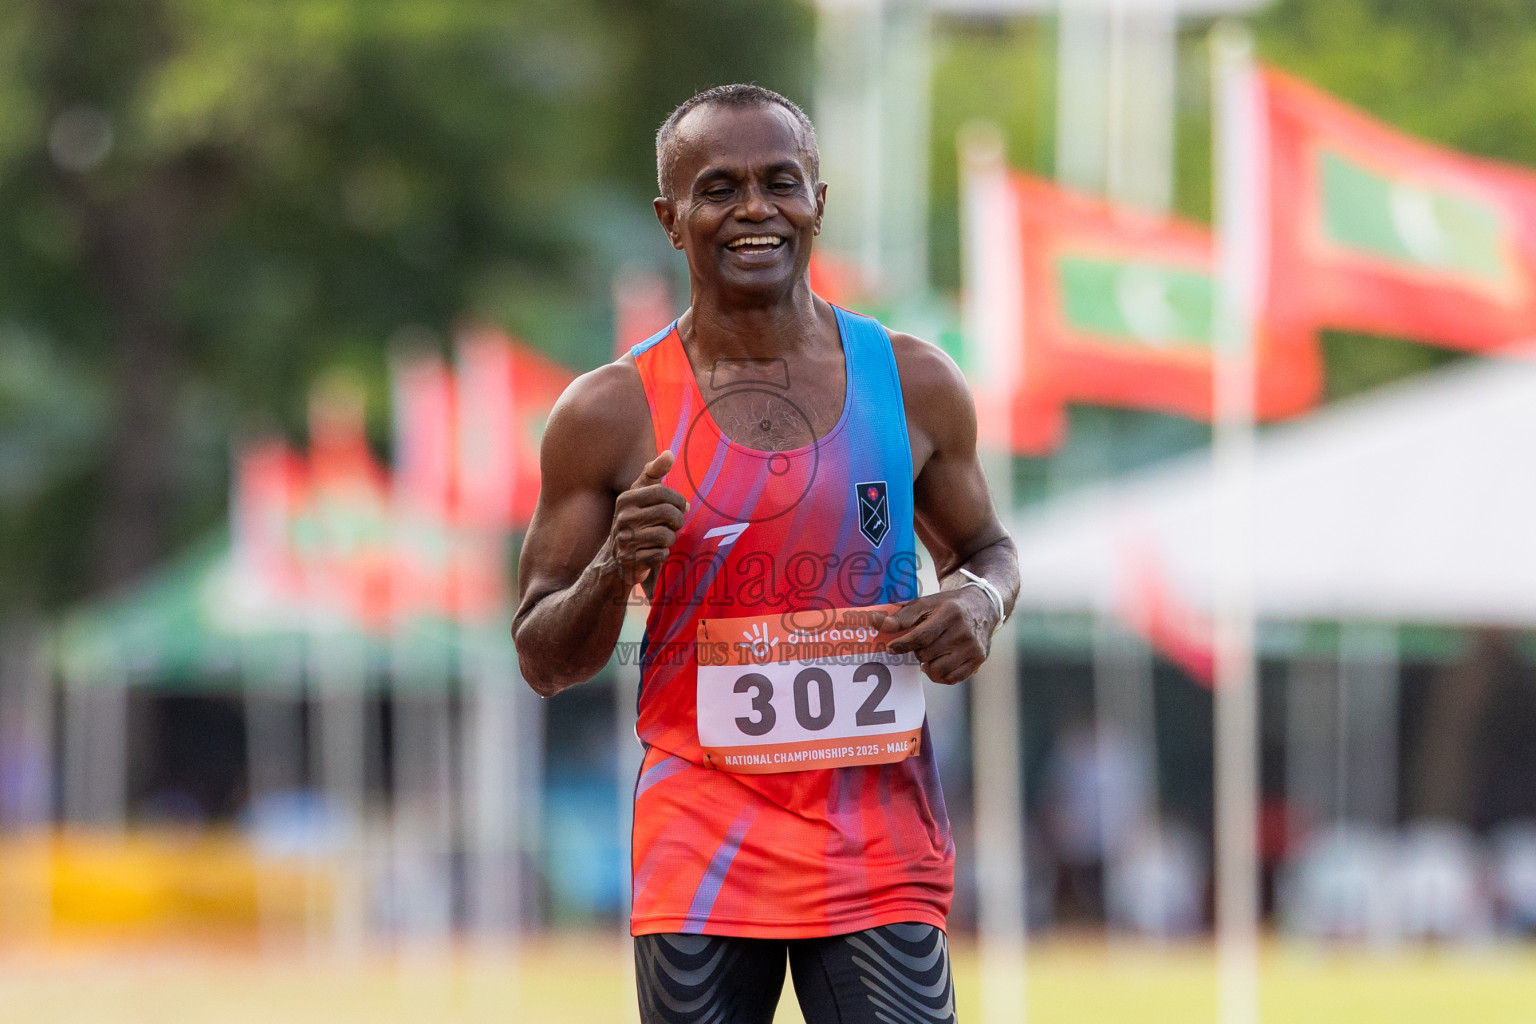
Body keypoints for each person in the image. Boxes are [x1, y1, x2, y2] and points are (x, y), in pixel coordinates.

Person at [513, 84, 1018, 1024]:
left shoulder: (913, 381)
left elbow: (987, 549)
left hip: (875, 836)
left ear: (817, 202)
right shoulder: (610, 411)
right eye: (718, 189)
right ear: (670, 219)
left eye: (780, 183)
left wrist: (979, 603)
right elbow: (543, 656)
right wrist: (614, 566)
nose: (755, 209)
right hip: (702, 842)